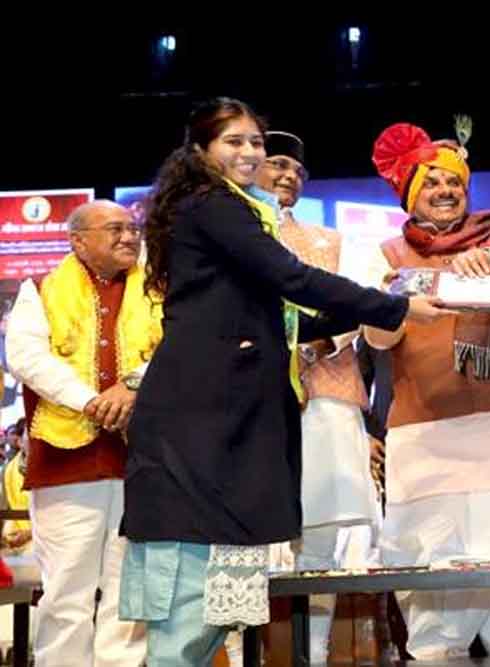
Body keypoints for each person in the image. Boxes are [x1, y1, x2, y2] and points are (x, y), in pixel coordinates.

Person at [116, 98, 449, 665]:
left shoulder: (232, 207)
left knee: (214, 602)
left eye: (255, 141)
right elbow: (290, 277)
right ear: (200, 151)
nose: (249, 152)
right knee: (190, 596)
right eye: (234, 141)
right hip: (199, 424)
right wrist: (394, 307)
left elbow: (284, 320)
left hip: (227, 423)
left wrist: (383, 302)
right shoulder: (212, 204)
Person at [364, 122, 490, 659]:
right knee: (436, 559)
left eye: (453, 182)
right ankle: (436, 653)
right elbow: (376, 338)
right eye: (431, 182)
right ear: (411, 195)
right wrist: (396, 300)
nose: (445, 191)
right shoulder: (388, 255)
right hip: (429, 430)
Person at [6, 199, 156, 666]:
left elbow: (177, 348)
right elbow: (26, 357)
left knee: (129, 590)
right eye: (114, 229)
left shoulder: (158, 289)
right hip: (66, 462)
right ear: (78, 241)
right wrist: (90, 401)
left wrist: (133, 387)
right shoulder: (40, 289)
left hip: (143, 459)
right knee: (66, 592)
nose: (129, 236)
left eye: (132, 228)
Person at [255, 129, 382, 664]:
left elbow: (360, 301)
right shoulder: (228, 234)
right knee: (248, 540)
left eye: (296, 170)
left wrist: (316, 345)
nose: (287, 175)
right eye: (276, 164)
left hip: (326, 393)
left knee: (321, 535)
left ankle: (313, 651)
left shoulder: (330, 240)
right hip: (251, 400)